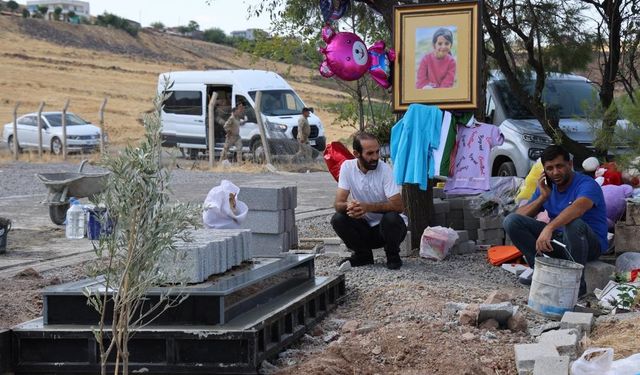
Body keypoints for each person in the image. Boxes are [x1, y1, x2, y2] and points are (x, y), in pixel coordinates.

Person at [503, 145, 608, 297]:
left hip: (588, 244)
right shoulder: (547, 187)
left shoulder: (586, 184)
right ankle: (540, 272)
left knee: (573, 223)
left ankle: (577, 286)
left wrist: (549, 228)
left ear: (570, 165)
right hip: (560, 243)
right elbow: (520, 215)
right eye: (550, 168)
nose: (555, 172)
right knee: (511, 221)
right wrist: (542, 197)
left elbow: (578, 208)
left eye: (560, 166)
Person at [331, 132, 407, 270]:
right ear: (356, 154)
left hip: (388, 230)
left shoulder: (385, 169)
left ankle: (393, 256)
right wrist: (351, 206)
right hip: (365, 228)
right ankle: (363, 256)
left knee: (391, 218)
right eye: (370, 153)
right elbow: (338, 204)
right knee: (338, 218)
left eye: (377, 152)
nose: (376, 157)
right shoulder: (347, 167)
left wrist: (367, 207)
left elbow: (398, 206)